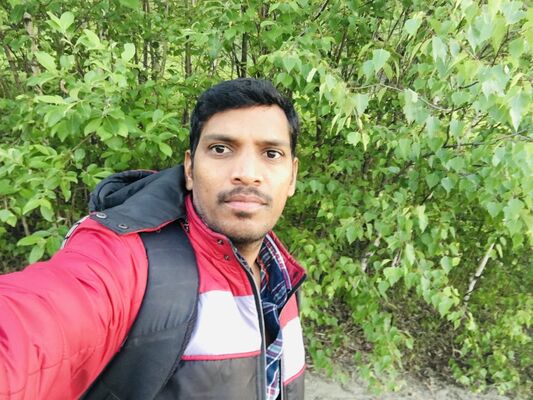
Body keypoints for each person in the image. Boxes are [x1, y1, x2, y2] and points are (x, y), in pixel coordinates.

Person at [0, 78, 306, 400]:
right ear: (189, 169)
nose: (247, 173)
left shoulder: (281, 273)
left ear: (292, 177)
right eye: (220, 149)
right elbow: (33, 324)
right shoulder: (128, 259)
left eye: (271, 153)